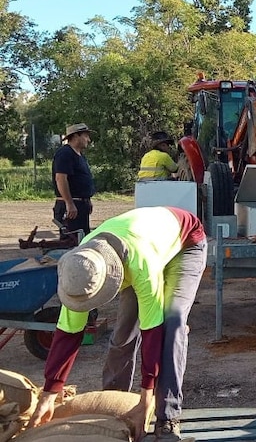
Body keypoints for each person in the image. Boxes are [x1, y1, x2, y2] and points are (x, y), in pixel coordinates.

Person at [28, 206, 207, 442]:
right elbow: (68, 334)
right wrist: (49, 392)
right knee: (124, 331)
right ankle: (114, 405)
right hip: (141, 244)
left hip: (185, 245)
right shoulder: (82, 264)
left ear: (111, 277)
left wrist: (146, 399)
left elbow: (152, 333)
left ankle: (168, 418)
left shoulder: (141, 265)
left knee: (171, 324)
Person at [52, 123, 96, 235]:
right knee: (71, 242)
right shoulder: (65, 153)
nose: (89, 140)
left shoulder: (80, 155)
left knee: (82, 239)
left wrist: (86, 200)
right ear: (76, 136)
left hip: (80, 205)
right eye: (86, 136)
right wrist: (69, 203)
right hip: (71, 207)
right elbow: (60, 179)